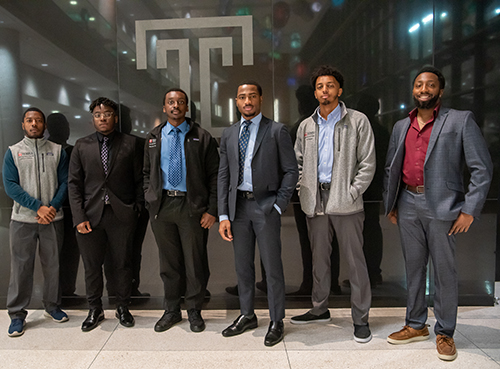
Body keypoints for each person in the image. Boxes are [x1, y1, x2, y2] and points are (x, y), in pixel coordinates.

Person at [383, 66, 493, 361]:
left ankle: (445, 332)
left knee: (444, 272)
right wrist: (391, 204)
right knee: (414, 269)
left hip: (444, 207)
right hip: (407, 204)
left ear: (440, 91)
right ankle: (416, 324)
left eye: (430, 85)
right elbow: (391, 168)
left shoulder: (459, 120)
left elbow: (482, 169)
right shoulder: (400, 126)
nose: (423, 89)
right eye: (419, 84)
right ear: (413, 90)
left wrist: (469, 209)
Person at [292, 65, 375, 344]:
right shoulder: (307, 125)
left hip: (346, 201)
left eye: (329, 86)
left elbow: (367, 163)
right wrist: (303, 186)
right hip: (315, 200)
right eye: (319, 86)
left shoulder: (357, 121)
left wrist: (352, 191)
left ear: (339, 90)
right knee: (319, 260)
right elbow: (299, 161)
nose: (324, 90)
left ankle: (361, 319)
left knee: (355, 262)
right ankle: (319, 309)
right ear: (315, 92)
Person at [218, 81, 298, 347]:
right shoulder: (229, 134)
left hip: (265, 207)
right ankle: (247, 314)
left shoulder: (276, 131)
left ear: (261, 99)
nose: (247, 101)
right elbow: (223, 175)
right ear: (237, 102)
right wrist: (223, 215)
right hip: (237, 208)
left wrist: (278, 204)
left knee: (272, 267)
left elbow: (291, 171)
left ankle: (277, 320)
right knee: (242, 267)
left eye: (252, 96)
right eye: (242, 97)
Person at [144, 88, 219, 333]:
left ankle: (195, 310)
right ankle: (172, 310)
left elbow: (215, 177)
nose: (176, 106)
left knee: (194, 262)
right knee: (169, 263)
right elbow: (146, 173)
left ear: (187, 108)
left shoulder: (202, 136)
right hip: (163, 206)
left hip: (192, 207)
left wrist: (212, 210)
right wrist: (150, 198)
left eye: (181, 102)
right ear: (164, 107)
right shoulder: (154, 137)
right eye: (171, 102)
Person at [68, 97, 144, 331]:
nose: (103, 118)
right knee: (92, 266)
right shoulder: (81, 145)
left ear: (115, 117)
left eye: (107, 114)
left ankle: (122, 306)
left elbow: (140, 180)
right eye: (98, 115)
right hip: (90, 216)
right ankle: (95, 309)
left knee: (122, 264)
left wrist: (136, 209)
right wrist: (79, 217)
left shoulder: (130, 144)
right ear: (93, 120)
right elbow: (74, 184)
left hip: (121, 215)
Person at [3, 108, 69, 337]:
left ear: (44, 126)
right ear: (23, 125)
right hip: (22, 219)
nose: (34, 124)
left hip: (53, 218)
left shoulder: (57, 151)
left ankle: (52, 306)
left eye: (38, 121)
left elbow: (65, 183)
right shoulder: (13, 152)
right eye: (30, 120)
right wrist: (37, 207)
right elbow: (10, 185)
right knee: (21, 267)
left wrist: (51, 207)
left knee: (53, 265)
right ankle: (17, 314)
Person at [46, 113, 80, 299]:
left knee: (67, 252)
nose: (66, 129)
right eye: (63, 125)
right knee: (61, 254)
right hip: (55, 209)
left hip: (64, 209)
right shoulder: (51, 151)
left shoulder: (72, 149)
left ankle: (65, 291)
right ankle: (60, 292)